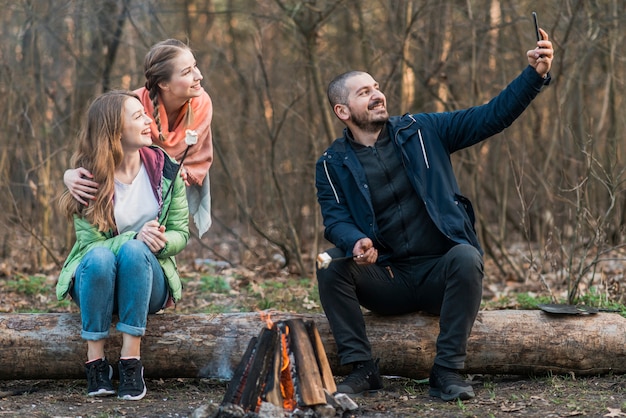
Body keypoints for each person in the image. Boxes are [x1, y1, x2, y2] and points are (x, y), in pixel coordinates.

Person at [315, 29, 553, 401]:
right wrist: (355, 241)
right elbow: (335, 219)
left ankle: (446, 371)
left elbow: (491, 116)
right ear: (342, 111)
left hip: (439, 274)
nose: (378, 94)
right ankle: (362, 369)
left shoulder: (423, 131)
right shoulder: (331, 163)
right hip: (387, 278)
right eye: (364, 92)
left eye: (376, 87)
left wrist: (533, 75)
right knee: (330, 267)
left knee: (466, 255)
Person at [57, 91, 190, 400]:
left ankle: (131, 362)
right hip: (97, 281)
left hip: (148, 283)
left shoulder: (167, 170)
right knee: (103, 256)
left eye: (145, 114)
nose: (148, 120)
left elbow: (180, 233)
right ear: (115, 132)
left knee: (135, 252)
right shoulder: (87, 179)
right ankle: (96, 364)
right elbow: (90, 247)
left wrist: (161, 241)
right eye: (137, 116)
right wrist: (134, 236)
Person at [63, 39, 213, 237]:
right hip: (132, 177)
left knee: (168, 235)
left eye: (195, 66)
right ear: (163, 83)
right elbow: (100, 144)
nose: (199, 76)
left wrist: (180, 172)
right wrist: (69, 175)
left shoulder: (201, 102)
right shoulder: (133, 106)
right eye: (186, 72)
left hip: (179, 177)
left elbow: (193, 152)